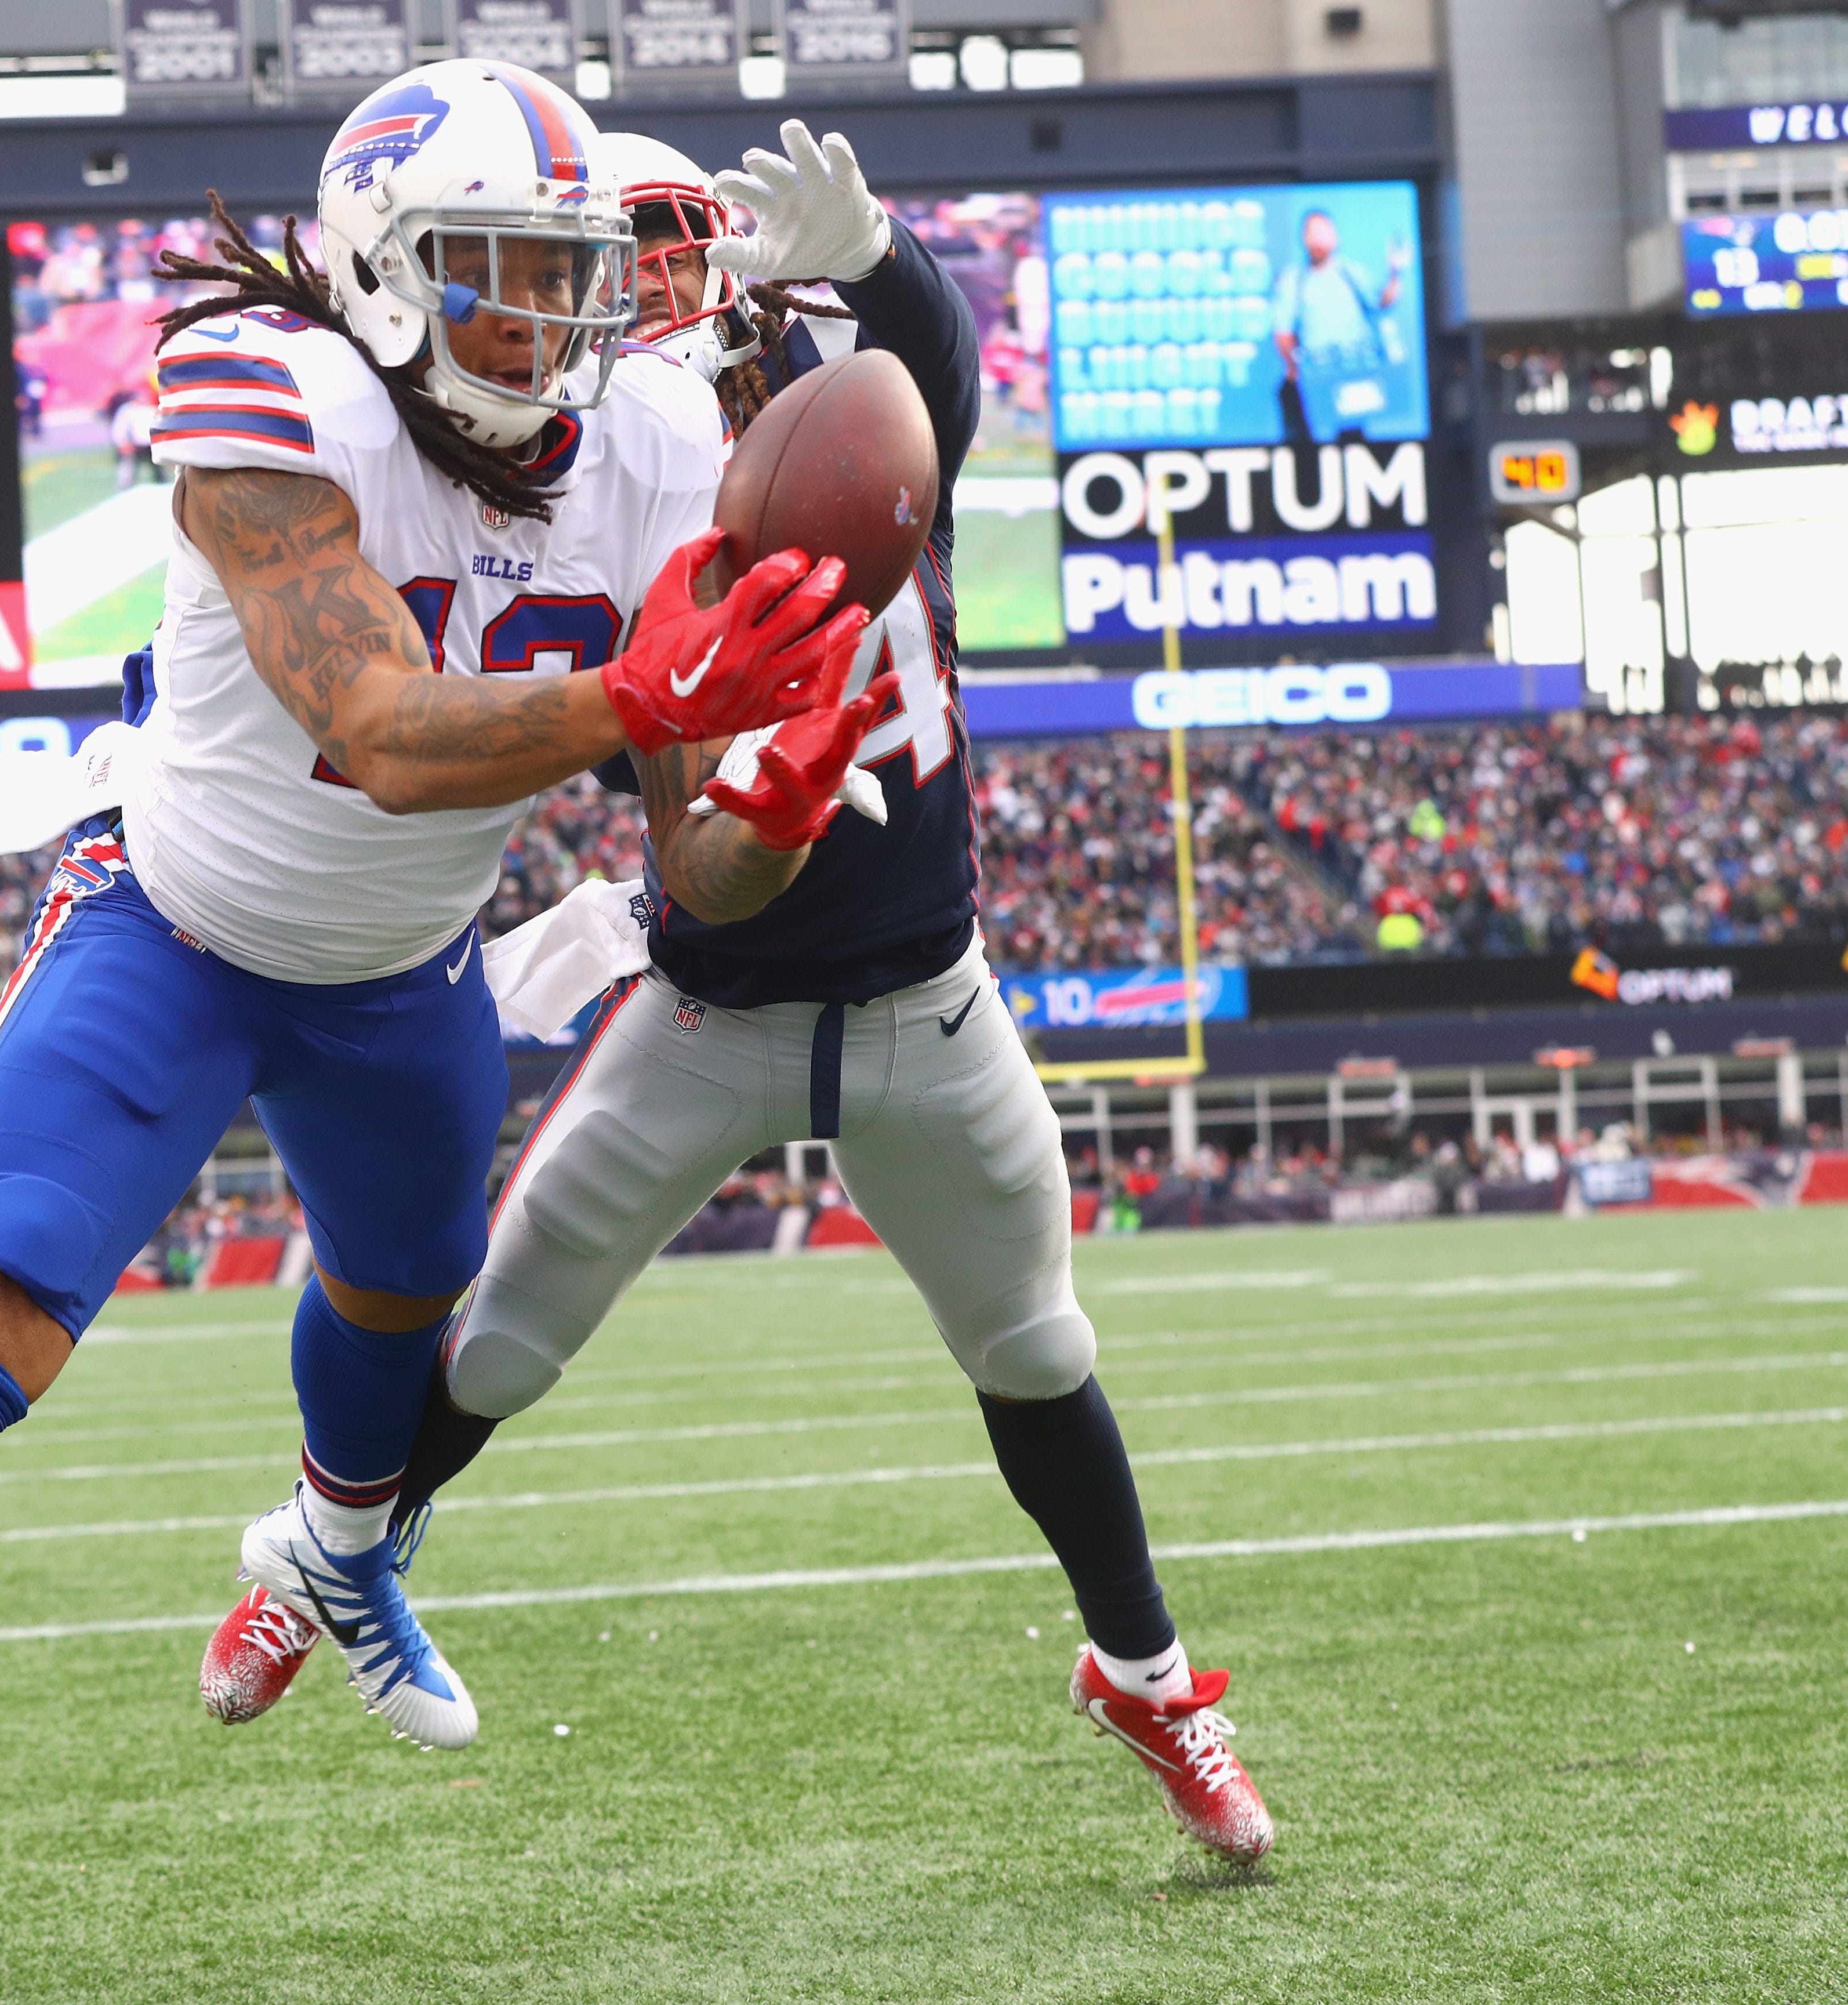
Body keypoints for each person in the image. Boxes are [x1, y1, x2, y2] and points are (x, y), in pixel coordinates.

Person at [0, 61, 872, 2001]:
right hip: (170, 928)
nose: (557, 317)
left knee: (411, 1302)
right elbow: (384, 729)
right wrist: (638, 697)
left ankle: (339, 1550)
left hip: (404, 975)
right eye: (506, 269)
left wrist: (776, 796)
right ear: (390, 272)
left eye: (576, 271)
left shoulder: (658, 437)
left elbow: (700, 877)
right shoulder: (268, 378)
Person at [201, 119, 1274, 1866]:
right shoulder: (601, 474)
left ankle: (1147, 1680)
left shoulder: (829, 418)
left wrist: (890, 259)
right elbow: (646, 798)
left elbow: (927, 382)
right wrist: (724, 827)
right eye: (619, 250)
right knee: (496, 1347)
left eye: (679, 239)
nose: (660, 277)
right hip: (707, 1006)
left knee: (1036, 1349)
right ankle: (326, 1557)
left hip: (926, 998)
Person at [1272, 205, 1408, 444]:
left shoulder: (1351, 273)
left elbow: (1382, 302)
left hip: (1354, 376)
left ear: (1335, 237)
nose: (1318, 240)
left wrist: (1396, 272)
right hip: (1314, 380)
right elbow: (1283, 332)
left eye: (1323, 232)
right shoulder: (1294, 280)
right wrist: (1294, 366)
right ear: (1303, 239)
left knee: (1354, 442)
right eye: (1311, 233)